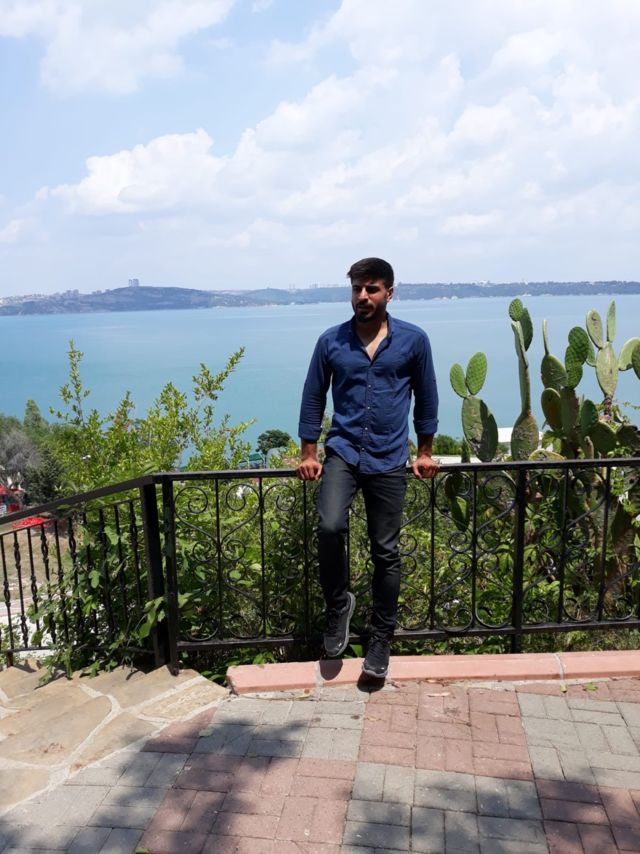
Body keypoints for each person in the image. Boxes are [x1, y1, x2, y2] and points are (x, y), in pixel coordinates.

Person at [296, 257, 439, 679]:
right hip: (342, 453)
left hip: (389, 457)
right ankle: (339, 605)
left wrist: (425, 451)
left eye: (371, 288)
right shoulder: (331, 341)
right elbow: (313, 395)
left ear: (389, 293)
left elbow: (427, 397)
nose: (363, 295)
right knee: (329, 527)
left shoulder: (414, 341)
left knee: (385, 552)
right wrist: (309, 453)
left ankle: (380, 639)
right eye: (357, 288)